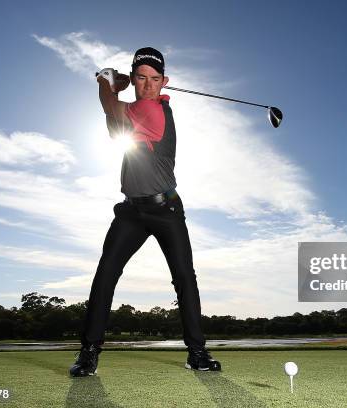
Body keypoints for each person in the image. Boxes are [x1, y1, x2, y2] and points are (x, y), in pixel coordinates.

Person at [69, 47, 221, 377]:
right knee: (106, 274)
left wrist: (104, 82)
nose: (149, 85)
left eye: (155, 79)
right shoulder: (137, 110)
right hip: (131, 211)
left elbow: (110, 105)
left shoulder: (153, 110)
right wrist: (113, 92)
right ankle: (89, 353)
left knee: (184, 278)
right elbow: (114, 124)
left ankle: (197, 353)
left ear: (164, 82)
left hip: (166, 208)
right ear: (136, 78)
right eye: (142, 78)